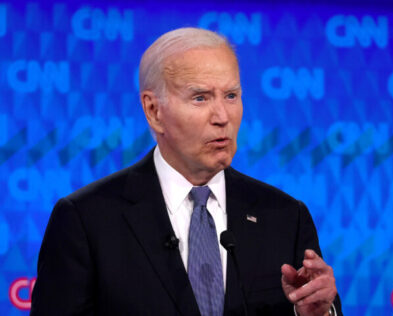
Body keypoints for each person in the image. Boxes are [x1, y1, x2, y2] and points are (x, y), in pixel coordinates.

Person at [31, 27, 342, 316]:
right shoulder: (86, 220)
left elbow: (315, 305)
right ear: (153, 111)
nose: (222, 116)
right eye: (200, 98)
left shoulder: (285, 216)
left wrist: (318, 314)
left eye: (231, 95)